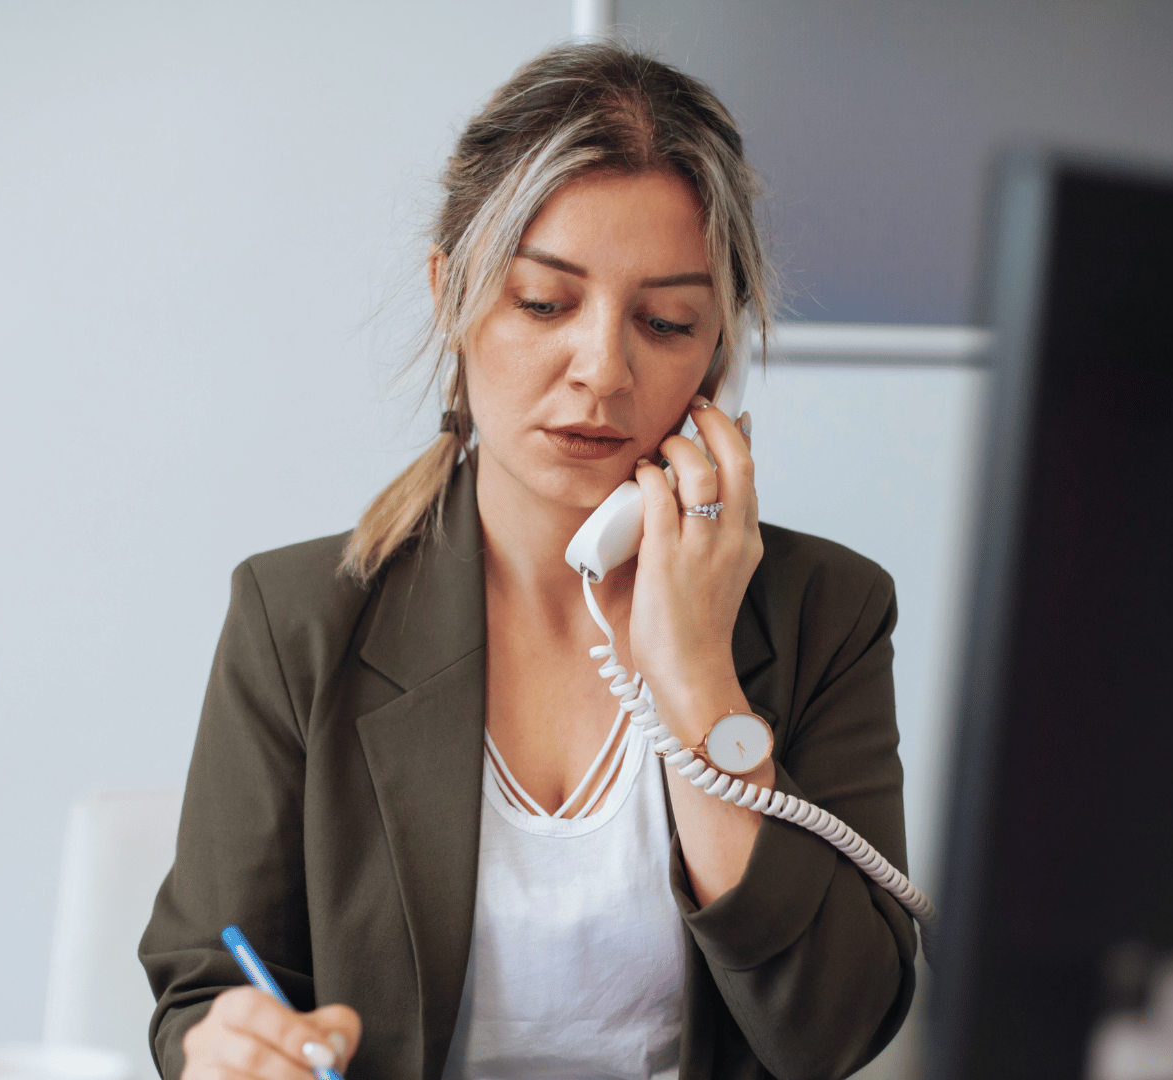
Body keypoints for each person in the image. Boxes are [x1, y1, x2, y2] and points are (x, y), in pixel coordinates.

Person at [140, 41, 917, 1080]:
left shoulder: (828, 611)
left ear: (716, 351)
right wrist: (222, 1044)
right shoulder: (297, 620)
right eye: (545, 303)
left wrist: (696, 677)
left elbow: (830, 1034)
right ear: (450, 294)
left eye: (667, 321)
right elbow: (206, 986)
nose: (602, 369)